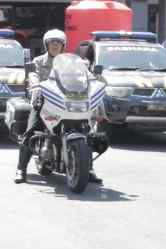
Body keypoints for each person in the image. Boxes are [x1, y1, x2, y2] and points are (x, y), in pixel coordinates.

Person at [16, 29, 103, 185]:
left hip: (66, 100)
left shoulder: (73, 62)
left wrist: (93, 76)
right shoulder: (39, 61)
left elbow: (85, 76)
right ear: (46, 45)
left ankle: (88, 168)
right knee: (31, 131)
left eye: (58, 43)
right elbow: (32, 75)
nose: (55, 46)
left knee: (87, 131)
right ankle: (21, 169)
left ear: (63, 45)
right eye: (52, 43)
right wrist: (35, 85)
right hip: (43, 101)